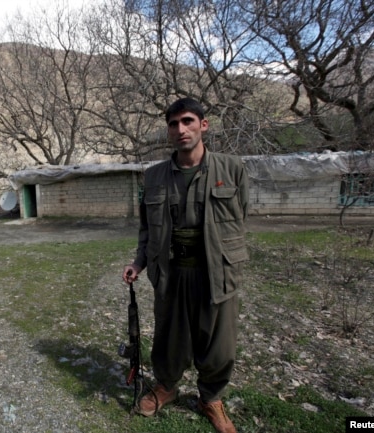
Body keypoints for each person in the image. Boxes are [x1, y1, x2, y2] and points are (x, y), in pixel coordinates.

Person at [121, 98, 248, 433]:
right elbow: (147, 228)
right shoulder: (154, 177)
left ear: (203, 125)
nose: (181, 129)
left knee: (219, 343)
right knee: (169, 338)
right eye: (174, 124)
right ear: (168, 131)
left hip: (216, 270)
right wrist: (139, 261)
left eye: (188, 121)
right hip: (172, 271)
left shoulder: (232, 168)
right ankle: (166, 387)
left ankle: (211, 398)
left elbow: (240, 217)